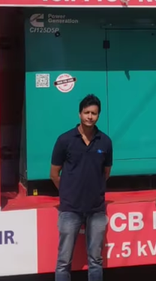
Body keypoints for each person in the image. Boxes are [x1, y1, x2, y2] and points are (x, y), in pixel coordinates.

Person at [50, 94, 113, 281]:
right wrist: (69, 191)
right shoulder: (65, 140)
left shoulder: (105, 141)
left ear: (98, 115)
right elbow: (54, 174)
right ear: (79, 114)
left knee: (96, 260)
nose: (90, 117)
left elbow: (106, 173)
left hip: (96, 209)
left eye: (94, 113)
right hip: (70, 209)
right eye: (86, 113)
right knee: (63, 261)